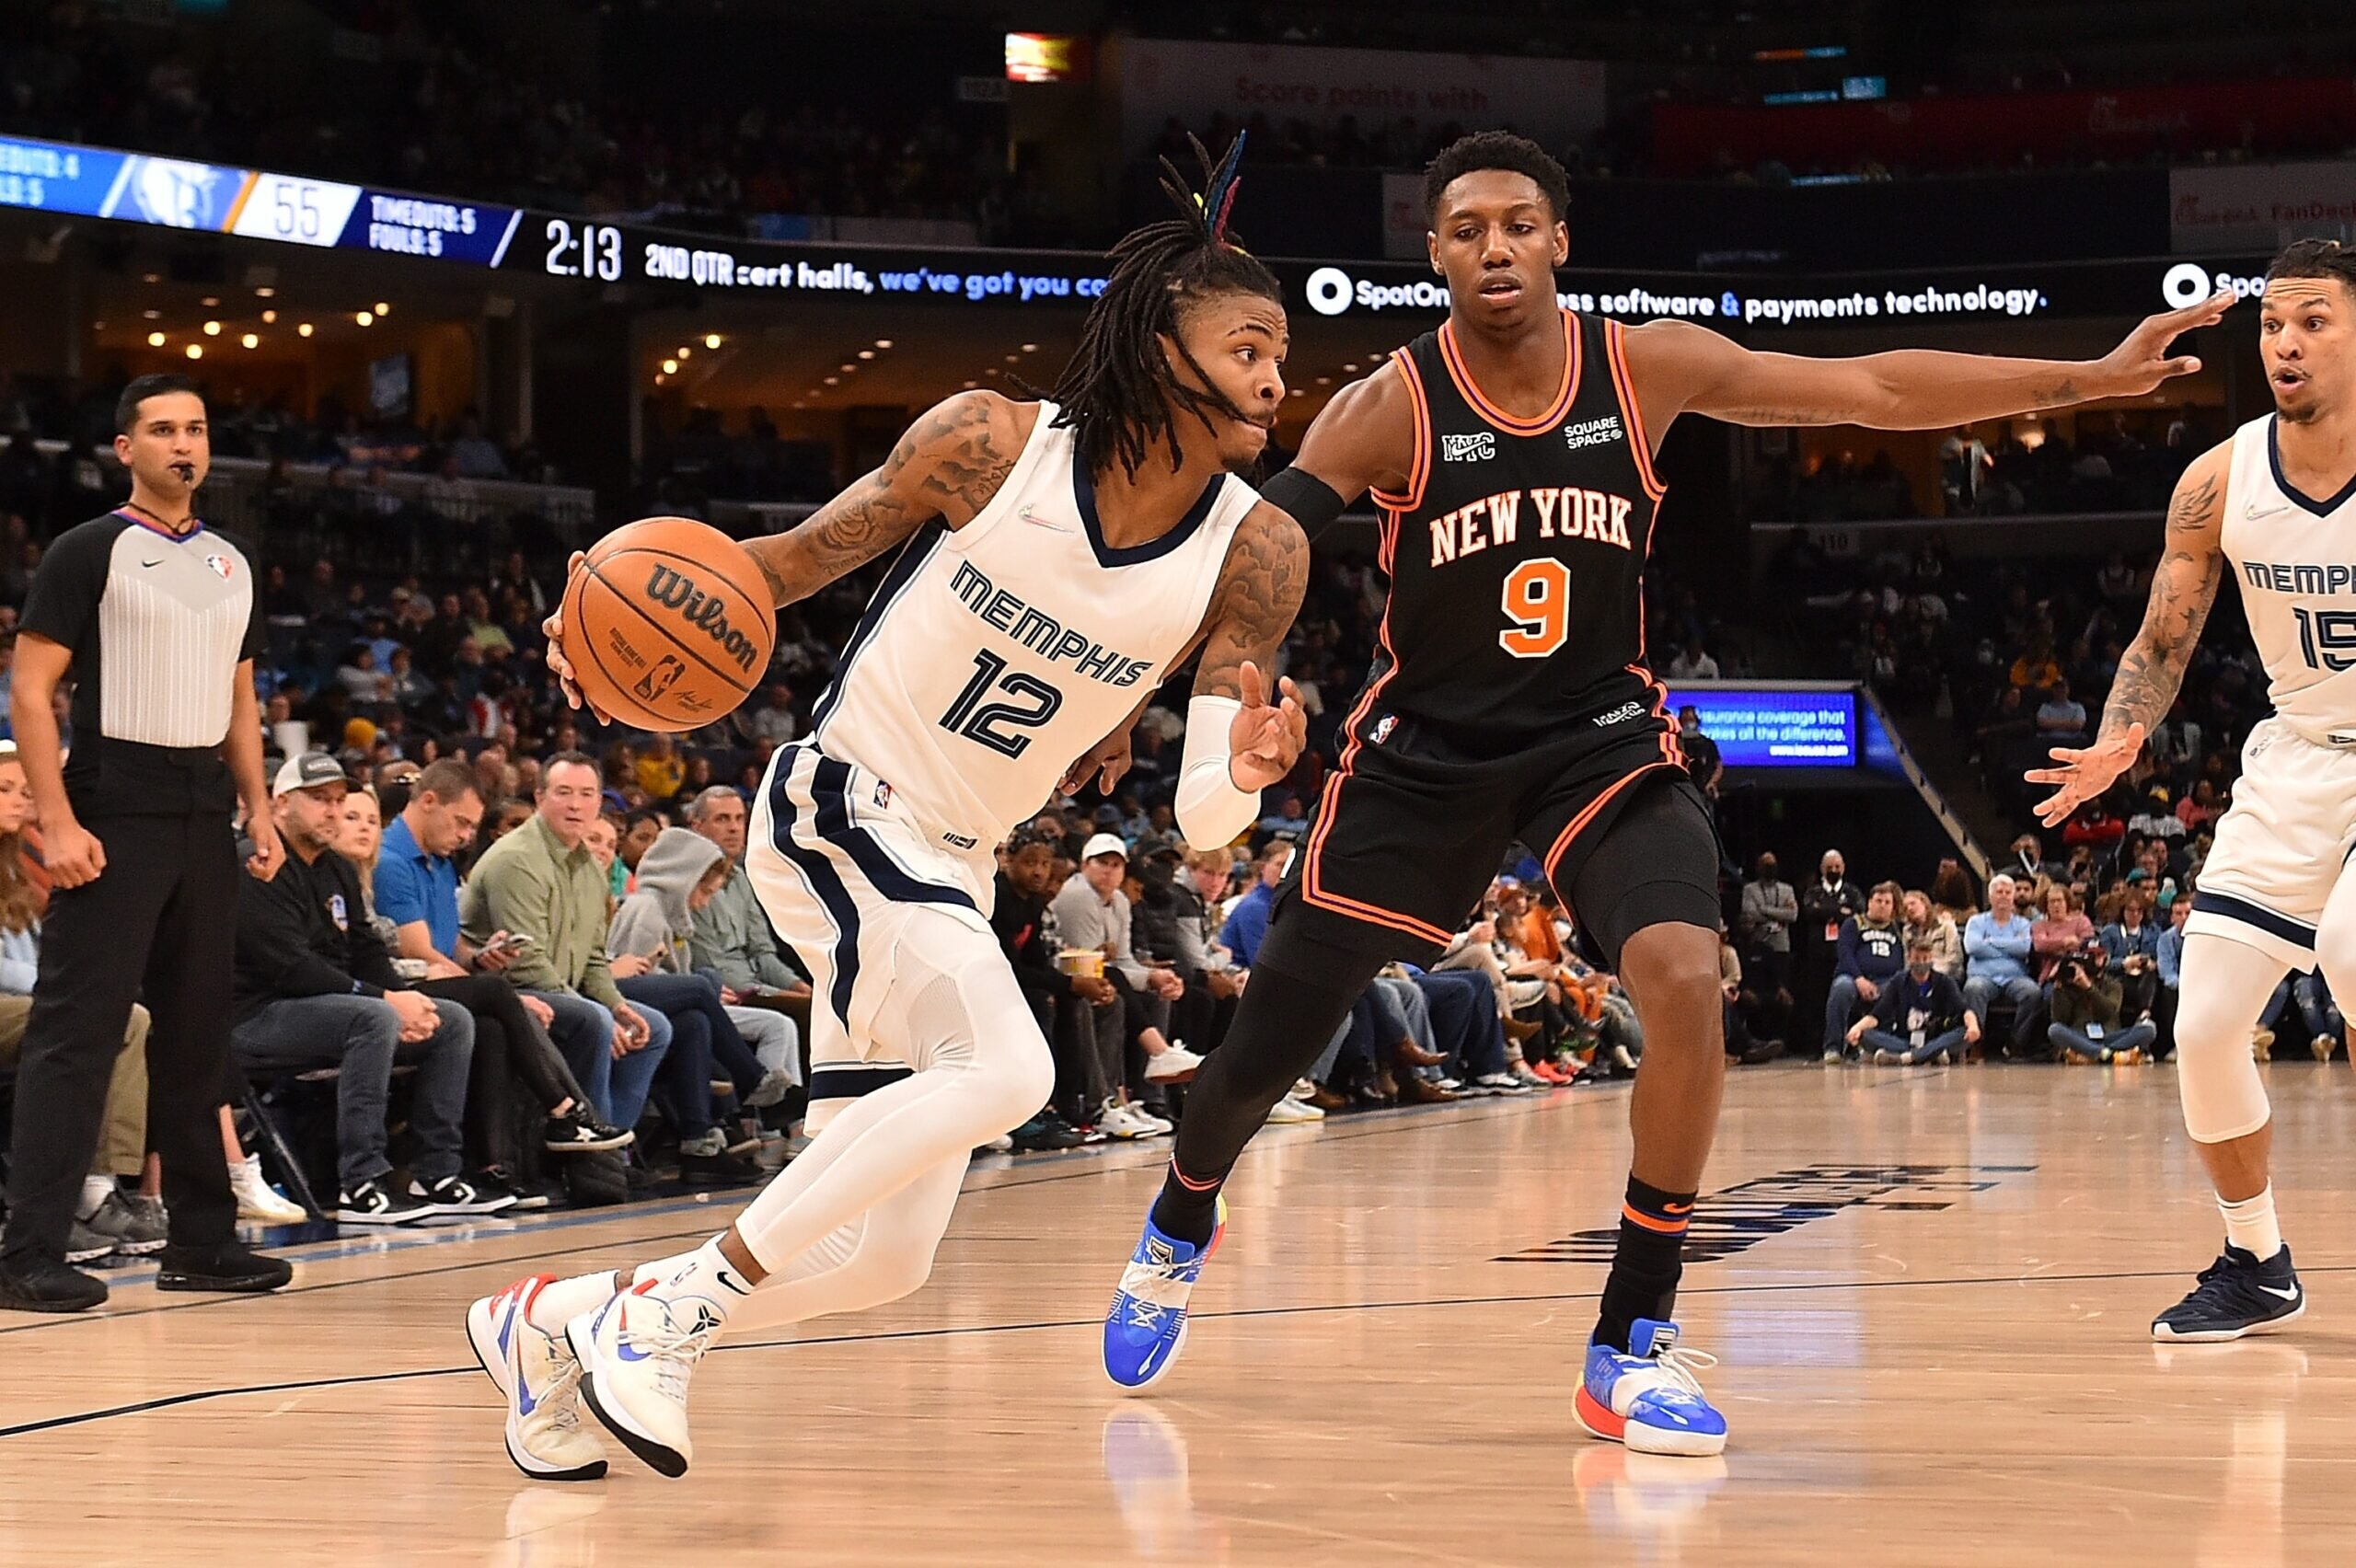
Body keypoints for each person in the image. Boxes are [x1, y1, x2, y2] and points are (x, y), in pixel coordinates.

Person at [1099, 128, 2223, 1455]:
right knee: (1249, 1068)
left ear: (1560, 239)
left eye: (1518, 222)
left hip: (1599, 734)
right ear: (1436, 255)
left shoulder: (1644, 364)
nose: (1494, 246)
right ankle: (1183, 1209)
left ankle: (1630, 1338)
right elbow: (1262, 549)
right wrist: (1239, 696)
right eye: (1465, 229)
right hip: (1425, 754)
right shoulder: (1392, 403)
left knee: (1689, 976)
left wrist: (2083, 376)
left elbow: (1866, 387)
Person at [471, 136, 1311, 1482]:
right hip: (845, 802)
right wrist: (601, 617)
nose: (1278, 371)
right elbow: (784, 566)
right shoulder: (991, 443)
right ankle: (666, 1322)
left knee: (881, 1264)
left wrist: (1249, 773)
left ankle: (563, 1322)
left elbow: (1207, 821)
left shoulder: (1259, 550)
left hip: (954, 867)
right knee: (1015, 1071)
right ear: (1163, 344)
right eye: (1250, 341)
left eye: (1285, 348)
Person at [2029, 239, 2356, 1339]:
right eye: (2272, 324)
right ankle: (2255, 1260)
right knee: (2205, 1023)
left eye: (2312, 319)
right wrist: (2120, 737)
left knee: (2354, 952)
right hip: (2299, 752)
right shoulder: (2219, 476)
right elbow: (2164, 636)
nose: (2285, 342)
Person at [1, 374, 293, 1312]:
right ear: (125, 448)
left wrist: (259, 805)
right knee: (76, 1035)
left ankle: (201, 1243)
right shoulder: (89, 551)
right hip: (111, 797)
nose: (184, 444)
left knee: (197, 1038)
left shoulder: (233, 561)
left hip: (205, 804)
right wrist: (56, 820)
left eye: (197, 429)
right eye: (163, 429)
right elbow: (31, 692)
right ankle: (27, 1251)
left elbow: (242, 698)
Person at [229, 755, 495, 1224]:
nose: (332, 811)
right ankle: (361, 1182)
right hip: (254, 1015)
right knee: (374, 1018)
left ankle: (434, 1172)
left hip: (324, 1009)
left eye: (338, 800)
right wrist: (387, 1000)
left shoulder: (338, 870)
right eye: (318, 800)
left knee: (450, 1020)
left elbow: (368, 950)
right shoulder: (255, 859)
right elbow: (289, 968)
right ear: (281, 802)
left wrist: (408, 1000)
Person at [0, 741, 164, 1261]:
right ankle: (61, 1199)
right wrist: (58, 987)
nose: (17, 801)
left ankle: (98, 1187)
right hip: (14, 1000)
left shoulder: (18, 867)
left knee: (130, 1017)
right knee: (82, 1019)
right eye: (3, 789)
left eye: (25, 793)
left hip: (23, 1000)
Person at [461, 754, 673, 1147]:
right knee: (593, 1021)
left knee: (654, 1028)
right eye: (564, 793)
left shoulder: (590, 867)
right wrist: (600, 1013)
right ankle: (586, 1150)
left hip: (561, 992)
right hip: (508, 993)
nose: (576, 805)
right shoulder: (518, 859)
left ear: (598, 804)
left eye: (586, 794)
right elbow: (525, 963)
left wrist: (617, 1005)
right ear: (540, 797)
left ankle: (610, 1144)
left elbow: (594, 957)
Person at [1848, 936, 1976, 1066]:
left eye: (1925, 958)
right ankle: (1931, 1055)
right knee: (1864, 1034)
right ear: (1909, 958)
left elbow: (1964, 1010)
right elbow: (1877, 1015)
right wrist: (1857, 1028)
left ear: (1932, 958)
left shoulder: (1945, 982)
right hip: (1904, 1039)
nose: (1921, 963)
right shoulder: (1898, 981)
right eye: (1917, 958)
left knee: (1965, 1033)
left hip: (1935, 1039)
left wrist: (1973, 1026)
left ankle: (1906, 1058)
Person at [1821, 880, 1903, 1065]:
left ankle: (1877, 1047)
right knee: (1841, 988)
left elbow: (1900, 960)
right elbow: (1845, 952)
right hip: (1854, 977)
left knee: (1894, 991)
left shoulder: (1896, 930)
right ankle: (1833, 1047)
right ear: (1869, 903)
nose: (1882, 906)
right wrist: (1860, 979)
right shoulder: (1855, 923)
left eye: (1887, 903)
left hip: (1885, 980)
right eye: (1878, 901)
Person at [1962, 873, 2042, 1053]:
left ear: (2013, 897)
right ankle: (1976, 1043)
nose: (2004, 896)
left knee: (2033, 992)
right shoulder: (1976, 921)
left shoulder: (2022, 924)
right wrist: (2009, 945)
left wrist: (1990, 941)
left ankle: (2015, 1043)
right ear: (1991, 896)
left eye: (2008, 892)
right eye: (1999, 892)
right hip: (1982, 977)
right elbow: (1973, 947)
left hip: (2015, 978)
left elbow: (2023, 948)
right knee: (1973, 988)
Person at [2047, 953, 2155, 1065]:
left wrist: (2089, 988)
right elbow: (2059, 1020)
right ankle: (2107, 1055)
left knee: (2149, 1028)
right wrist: (2059, 990)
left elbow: (2109, 1013)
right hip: (2081, 1037)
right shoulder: (2068, 986)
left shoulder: (2113, 985)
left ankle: (2098, 1054)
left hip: (2111, 1036)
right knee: (2054, 1030)